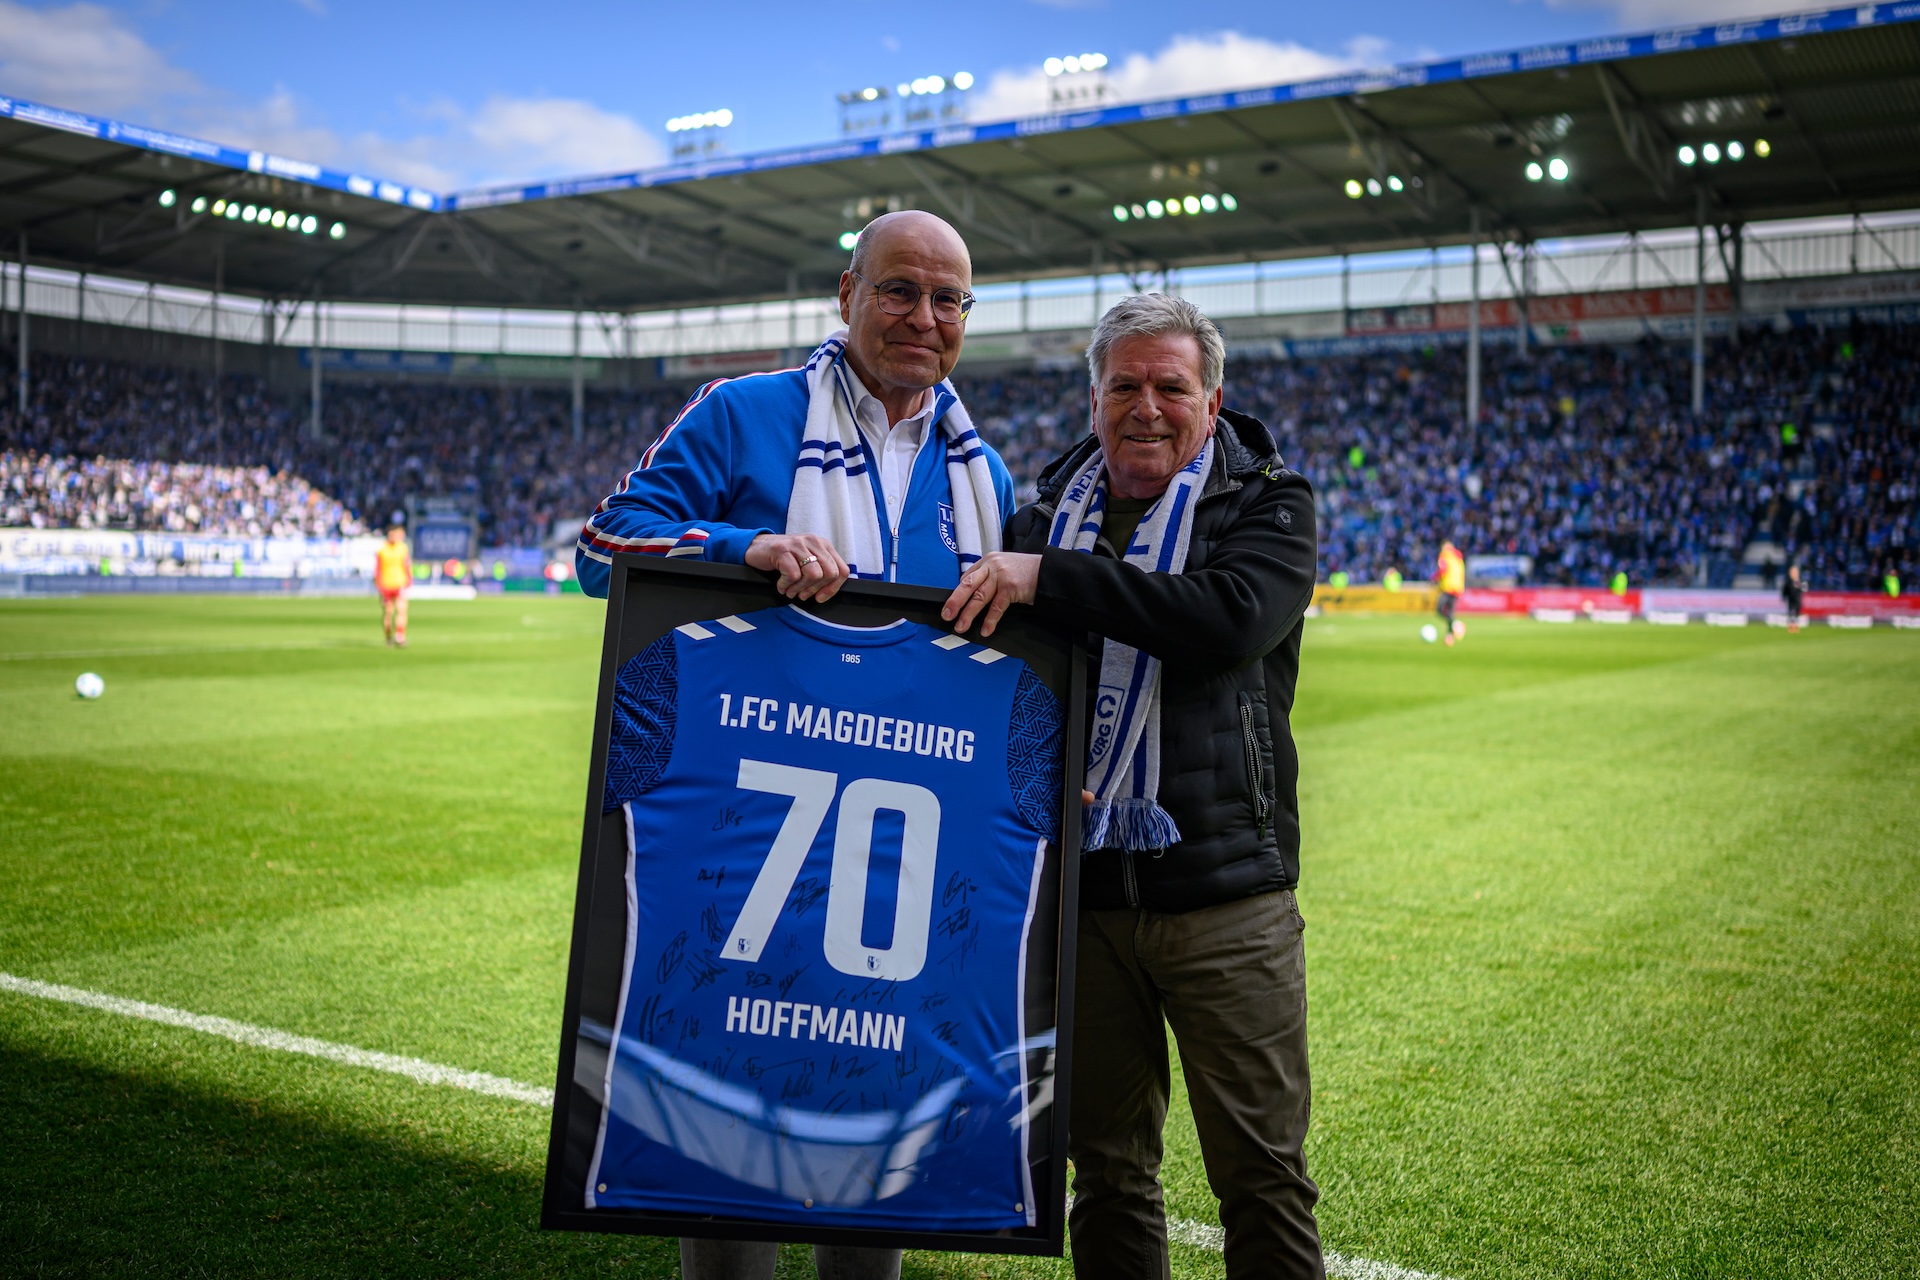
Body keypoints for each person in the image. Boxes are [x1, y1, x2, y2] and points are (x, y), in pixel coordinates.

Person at [574, 210, 1016, 1280]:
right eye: (900, 289)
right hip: (744, 846)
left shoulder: (984, 475)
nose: (924, 316)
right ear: (846, 295)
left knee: (876, 1176)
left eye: (947, 298)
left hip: (905, 876)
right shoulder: (744, 413)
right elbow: (602, 545)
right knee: (729, 1181)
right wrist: (742, 548)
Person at [942, 293, 1323, 1279]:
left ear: (1212, 397)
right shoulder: (1041, 515)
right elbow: (1008, 691)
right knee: (1107, 1177)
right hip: (1086, 897)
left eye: (1170, 386)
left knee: (1265, 1181)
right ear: (1095, 396)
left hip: (1226, 899)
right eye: (1124, 385)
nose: (1146, 406)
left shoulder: (1271, 502)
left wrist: (1049, 577)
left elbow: (1227, 619)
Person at [374, 525, 411, 648]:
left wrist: (409, 580)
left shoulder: (402, 548)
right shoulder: (382, 550)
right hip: (386, 584)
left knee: (401, 610)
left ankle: (400, 636)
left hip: (400, 583)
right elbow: (378, 568)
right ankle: (388, 637)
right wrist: (378, 583)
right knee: (388, 612)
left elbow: (406, 565)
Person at [1435, 538, 1466, 646]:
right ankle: (1450, 636)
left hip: (1448, 587)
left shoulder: (1445, 554)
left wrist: (1434, 578)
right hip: (1457, 587)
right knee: (1450, 612)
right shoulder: (1458, 556)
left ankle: (1454, 627)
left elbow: (1443, 569)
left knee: (1440, 609)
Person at [1782, 562, 1804, 632]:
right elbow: (1785, 590)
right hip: (1791, 599)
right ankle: (1791, 627)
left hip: (1797, 599)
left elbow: (1802, 589)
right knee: (1791, 613)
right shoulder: (1788, 581)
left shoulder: (1798, 580)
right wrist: (1784, 596)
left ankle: (1795, 626)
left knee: (1796, 613)